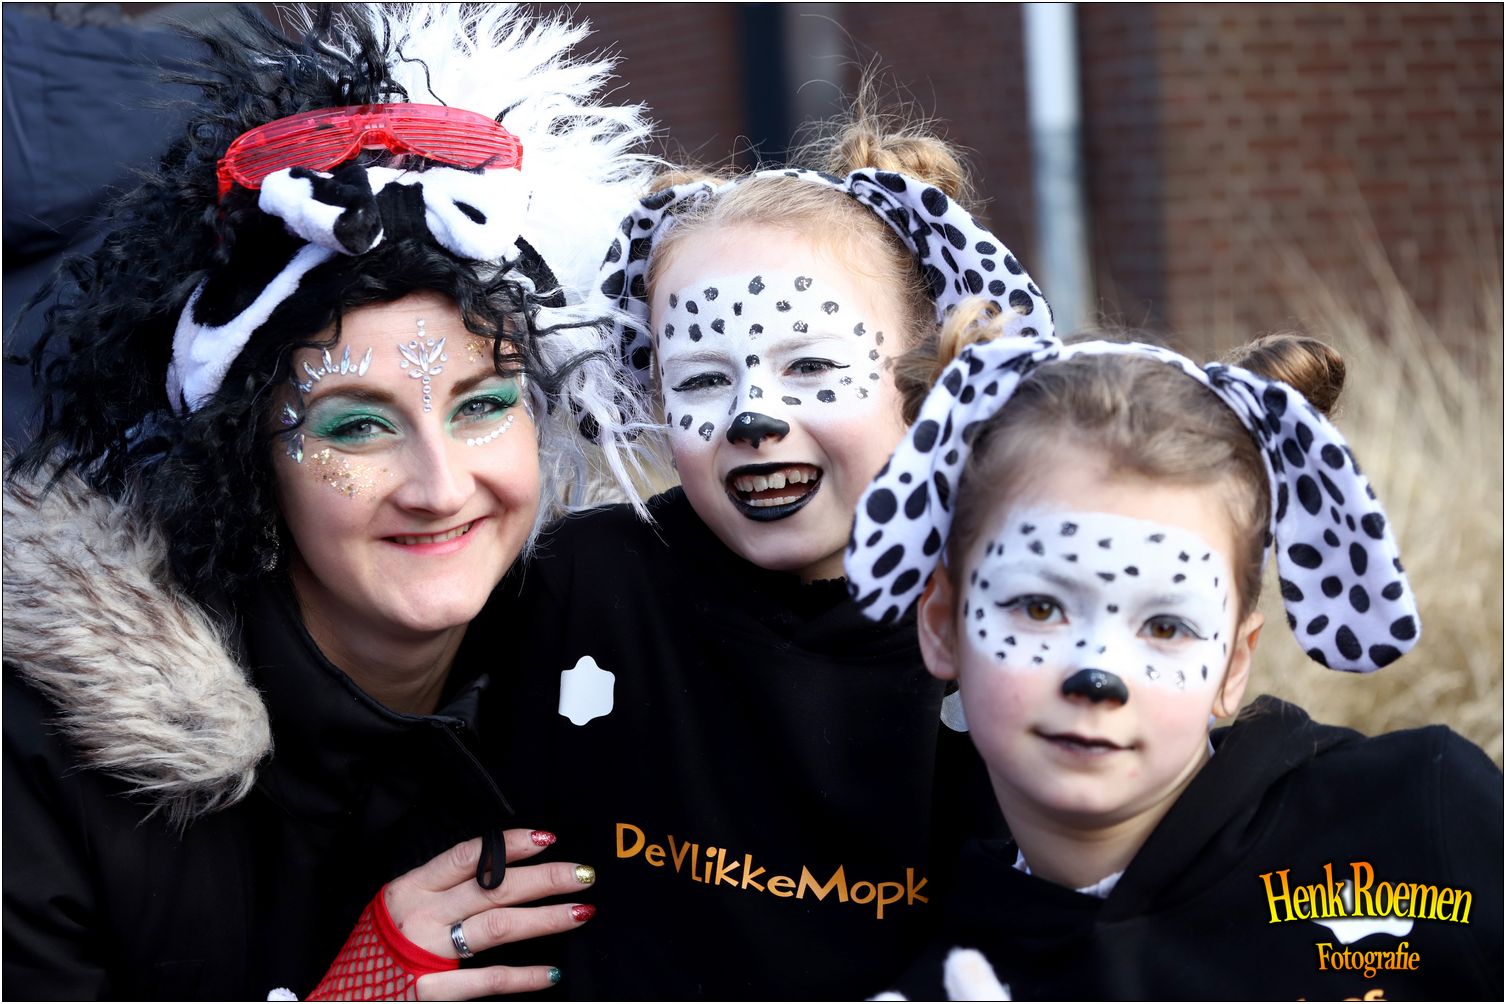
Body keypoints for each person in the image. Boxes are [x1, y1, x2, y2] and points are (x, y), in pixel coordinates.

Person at [3, 5, 659, 999]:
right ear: (247, 461)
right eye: (357, 426)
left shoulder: (634, 663)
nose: (441, 486)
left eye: (483, 406)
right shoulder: (42, 756)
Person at [483, 112, 1053, 999]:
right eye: (705, 379)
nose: (754, 417)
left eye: (811, 368)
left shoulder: (1005, 631)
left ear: (924, 380)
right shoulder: (578, 586)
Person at [844, 328, 1503, 998]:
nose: (1097, 675)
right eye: (1040, 608)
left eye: (1166, 626)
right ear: (943, 627)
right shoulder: (942, 978)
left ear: (1234, 665)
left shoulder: (1421, 822)